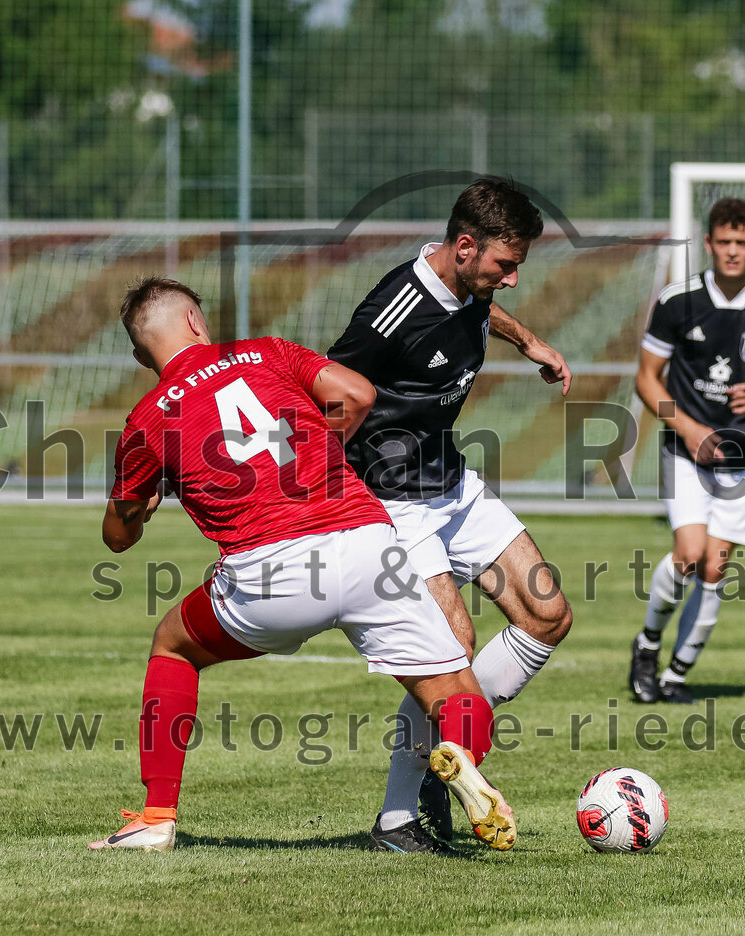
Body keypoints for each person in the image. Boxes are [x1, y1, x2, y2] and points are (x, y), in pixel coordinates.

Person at [89, 277, 517, 854]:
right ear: (195, 322)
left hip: (269, 574)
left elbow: (118, 537)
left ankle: (156, 817)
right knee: (461, 698)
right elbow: (358, 394)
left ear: (143, 356)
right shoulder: (266, 351)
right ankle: (459, 755)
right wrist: (316, 446)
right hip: (366, 546)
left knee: (172, 646)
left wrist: (142, 505)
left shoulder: (147, 417)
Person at [327, 177, 574, 852]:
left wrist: (529, 342)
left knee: (547, 615)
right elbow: (324, 393)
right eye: (505, 264)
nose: (512, 278)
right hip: (392, 501)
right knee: (449, 653)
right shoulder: (393, 310)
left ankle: (449, 755)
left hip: (450, 483)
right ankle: (396, 819)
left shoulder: (470, 286)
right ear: (465, 246)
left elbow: (483, 308)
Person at [629, 198, 745, 704]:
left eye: (741, 243)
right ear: (708, 243)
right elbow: (646, 378)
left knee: (714, 568)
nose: (732, 251)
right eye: (723, 242)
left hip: (743, 457)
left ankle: (676, 676)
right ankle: (647, 644)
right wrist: (687, 428)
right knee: (689, 554)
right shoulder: (677, 301)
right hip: (686, 452)